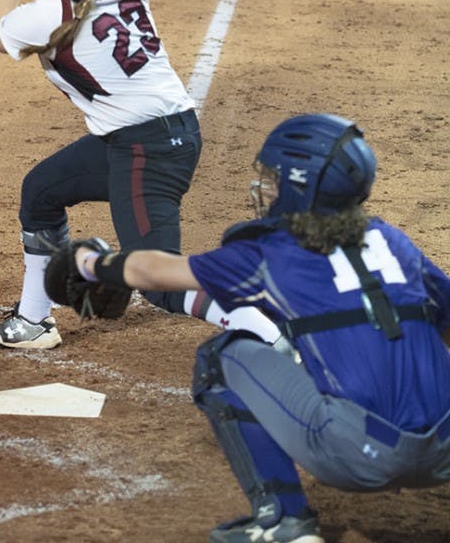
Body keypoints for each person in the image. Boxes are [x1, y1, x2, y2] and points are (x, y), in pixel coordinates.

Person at [69, 113, 450, 543]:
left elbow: (156, 272)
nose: (266, 188)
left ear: (298, 187)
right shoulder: (394, 242)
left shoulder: (272, 253)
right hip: (444, 452)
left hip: (360, 457)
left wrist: (89, 263)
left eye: (274, 179)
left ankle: (283, 521)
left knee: (220, 359)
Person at [0, 0, 248, 349]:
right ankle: (34, 321)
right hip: (143, 138)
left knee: (158, 281)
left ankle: (271, 324)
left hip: (148, 151)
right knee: (41, 192)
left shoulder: (46, 15)